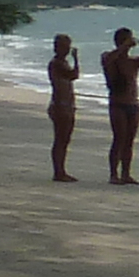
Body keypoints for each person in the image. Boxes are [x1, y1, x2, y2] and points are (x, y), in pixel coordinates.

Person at [102, 29, 139, 185]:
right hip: (117, 103)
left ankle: (126, 174)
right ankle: (113, 174)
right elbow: (108, 60)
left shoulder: (133, 61)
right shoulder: (109, 57)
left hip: (132, 103)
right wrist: (123, 46)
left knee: (129, 141)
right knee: (119, 139)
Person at [45, 34, 82, 180]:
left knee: (64, 139)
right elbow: (74, 75)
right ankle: (58, 171)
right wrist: (76, 60)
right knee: (61, 139)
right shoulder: (57, 63)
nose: (67, 49)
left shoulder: (60, 62)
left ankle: (60, 170)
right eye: (65, 46)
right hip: (61, 105)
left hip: (64, 104)